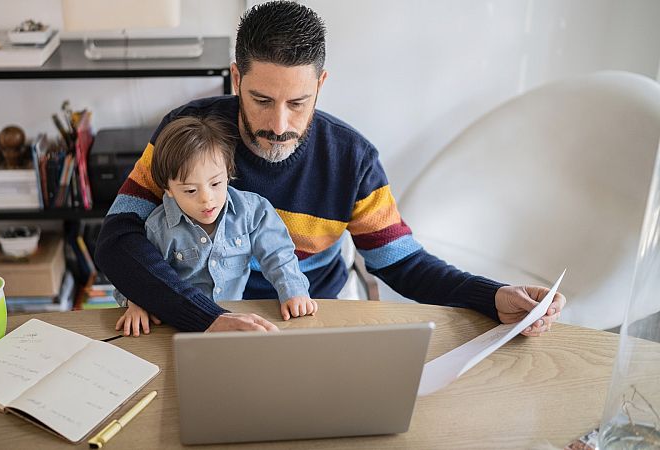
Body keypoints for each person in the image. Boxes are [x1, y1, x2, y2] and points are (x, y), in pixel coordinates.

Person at [95, 1, 566, 335]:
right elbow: (117, 238)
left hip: (310, 319)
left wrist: (491, 296)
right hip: (200, 317)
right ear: (236, 78)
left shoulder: (353, 159)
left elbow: (402, 263)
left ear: (321, 84)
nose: (279, 126)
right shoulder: (187, 133)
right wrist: (204, 317)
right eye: (262, 100)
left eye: (298, 102)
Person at [115, 116, 317, 336]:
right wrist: (136, 301)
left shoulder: (252, 211)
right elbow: (137, 272)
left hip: (236, 321)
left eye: (216, 183)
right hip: (181, 326)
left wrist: (293, 290)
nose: (207, 199)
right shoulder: (158, 228)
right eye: (190, 190)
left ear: (228, 173)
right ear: (168, 190)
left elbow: (278, 254)